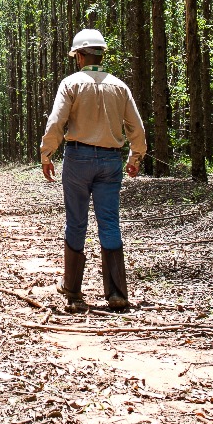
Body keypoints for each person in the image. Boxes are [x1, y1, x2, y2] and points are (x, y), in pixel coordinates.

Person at [40, 28, 146, 312]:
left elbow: (56, 121)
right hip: (111, 161)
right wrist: (136, 157)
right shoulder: (119, 86)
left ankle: (73, 291)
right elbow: (136, 127)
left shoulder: (71, 84)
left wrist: (46, 153)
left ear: (80, 56)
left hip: (78, 159)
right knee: (109, 222)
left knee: (76, 222)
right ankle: (116, 293)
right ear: (100, 53)